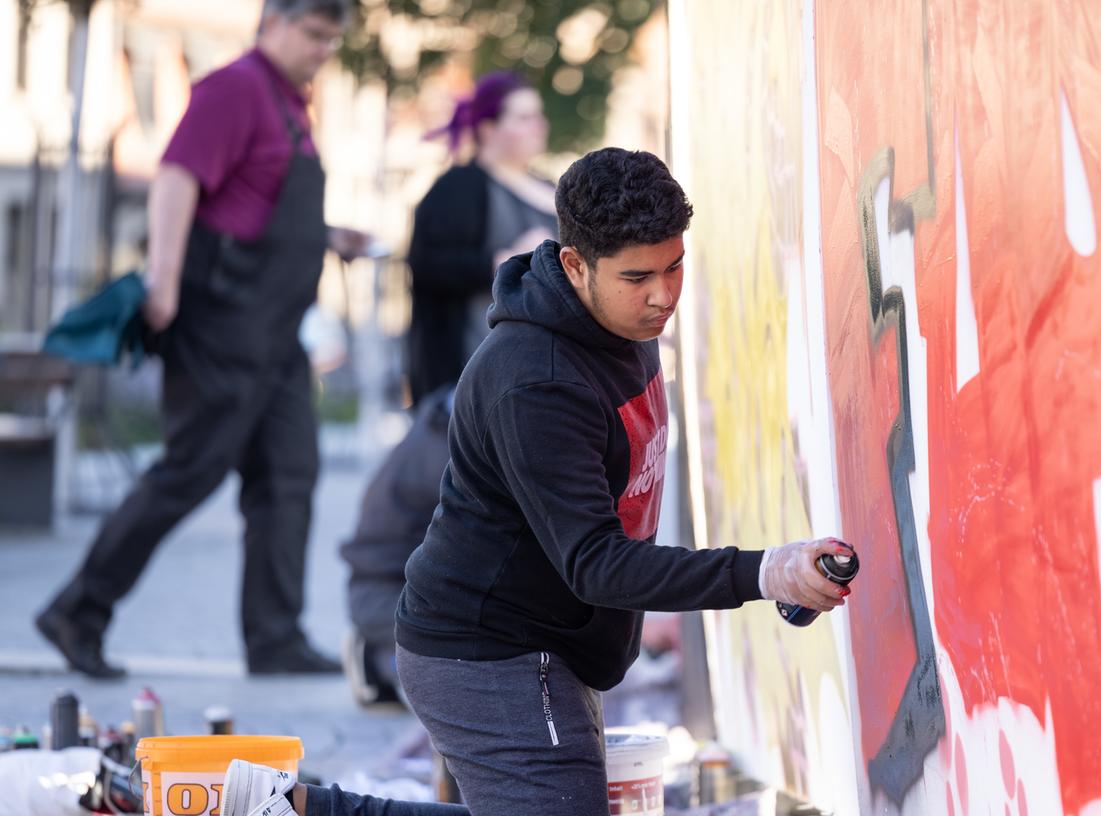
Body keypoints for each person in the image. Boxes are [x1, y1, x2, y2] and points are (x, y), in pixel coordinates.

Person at [219, 148, 853, 815]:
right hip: (488, 653)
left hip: (543, 639)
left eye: (674, 266)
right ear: (575, 265)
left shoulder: (619, 317)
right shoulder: (537, 380)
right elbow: (596, 564)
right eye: (638, 276)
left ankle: (289, 808)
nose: (663, 294)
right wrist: (764, 572)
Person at [36, 0, 370, 678]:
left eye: (332, 41)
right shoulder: (234, 89)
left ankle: (274, 637)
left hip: (276, 336)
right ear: (271, 22)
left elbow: (252, 200)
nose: (322, 51)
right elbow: (175, 179)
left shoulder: (289, 103)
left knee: (289, 475)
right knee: (191, 470)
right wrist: (162, 280)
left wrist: (327, 237)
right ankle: (78, 610)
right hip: (220, 323)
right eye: (313, 34)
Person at [406, 71, 558, 404]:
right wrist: (502, 263)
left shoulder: (550, 188)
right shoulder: (459, 187)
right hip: (475, 374)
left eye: (538, 116)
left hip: (543, 370)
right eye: (524, 117)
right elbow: (426, 265)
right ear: (488, 130)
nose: (539, 126)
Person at [338, 386, 453, 705]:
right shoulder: (455, 440)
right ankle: (374, 659)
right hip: (387, 595)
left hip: (406, 589)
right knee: (461, 679)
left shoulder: (453, 413)